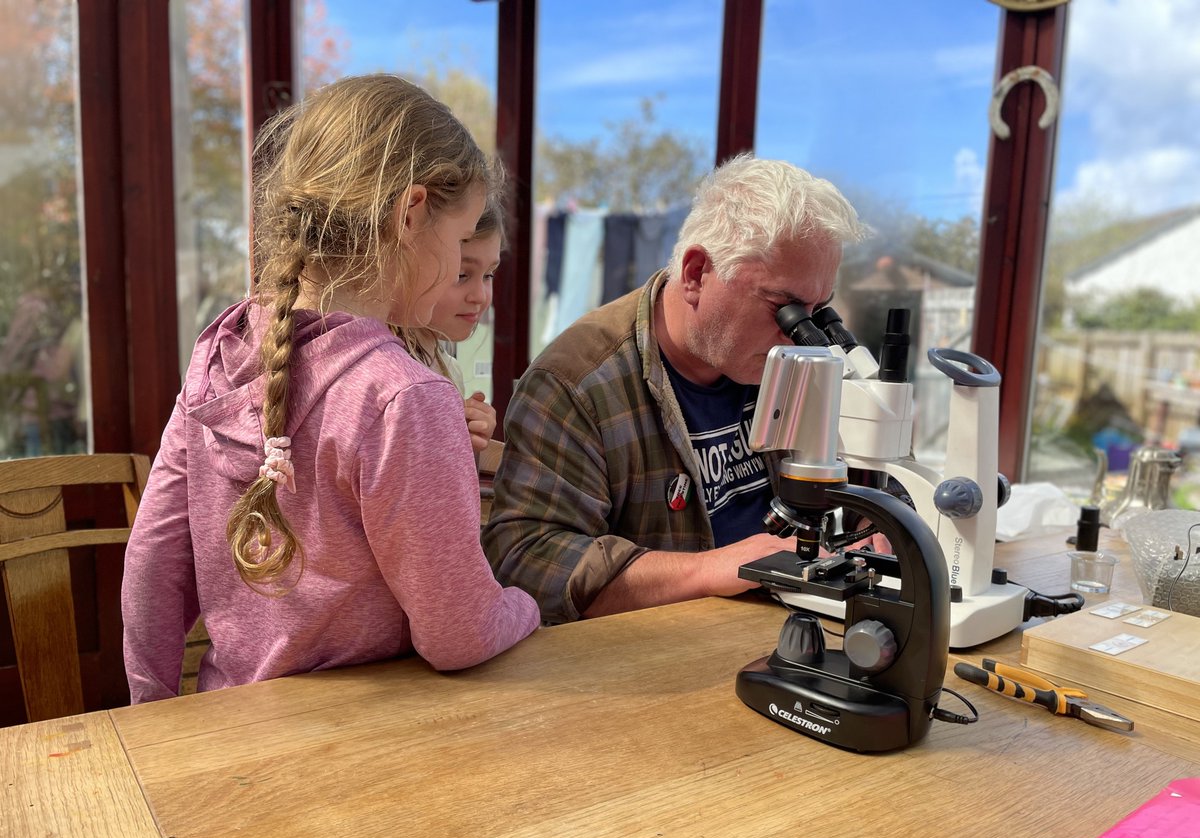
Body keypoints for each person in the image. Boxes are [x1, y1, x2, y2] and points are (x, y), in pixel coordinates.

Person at [122, 74, 540, 703]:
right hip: (364, 755)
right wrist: (525, 605)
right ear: (410, 213)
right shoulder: (403, 396)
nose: (462, 273)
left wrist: (151, 714)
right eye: (458, 248)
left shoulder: (221, 351)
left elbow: (153, 565)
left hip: (229, 730)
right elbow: (458, 632)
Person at [483, 154, 866, 624]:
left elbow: (831, 498)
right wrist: (709, 571)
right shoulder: (576, 384)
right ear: (695, 273)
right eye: (783, 306)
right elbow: (528, 563)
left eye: (817, 310)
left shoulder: (779, 359)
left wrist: (862, 530)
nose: (798, 333)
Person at [407, 197, 505, 453]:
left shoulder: (449, 369)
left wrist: (468, 436)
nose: (480, 296)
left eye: (488, 275)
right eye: (462, 275)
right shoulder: (397, 375)